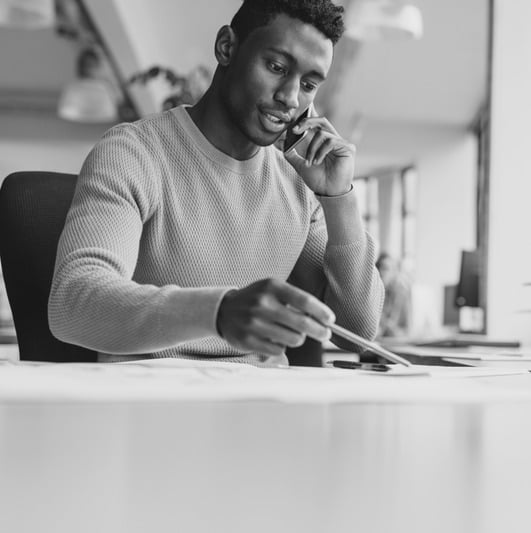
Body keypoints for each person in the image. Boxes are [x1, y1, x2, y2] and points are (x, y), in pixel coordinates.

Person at [48, 0, 383, 366]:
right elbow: (73, 302)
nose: (289, 97)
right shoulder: (135, 152)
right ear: (227, 46)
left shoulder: (298, 178)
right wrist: (216, 312)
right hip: (153, 408)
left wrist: (338, 198)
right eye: (276, 67)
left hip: (267, 409)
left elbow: (358, 331)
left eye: (308, 84)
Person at [375, 253, 411, 338]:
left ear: (394, 272)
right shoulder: (372, 294)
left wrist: (393, 330)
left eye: (386, 269)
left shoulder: (402, 294)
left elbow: (407, 329)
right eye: (379, 268)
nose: (382, 272)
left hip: (393, 342)